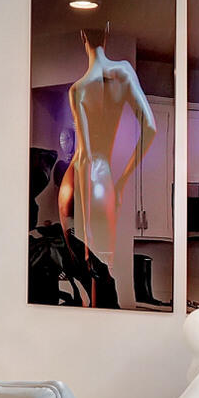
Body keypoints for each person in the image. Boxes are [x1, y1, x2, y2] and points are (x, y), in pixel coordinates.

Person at [58, 32, 158, 307]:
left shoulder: (78, 88)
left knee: (86, 276)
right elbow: (150, 128)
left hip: (73, 180)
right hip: (99, 179)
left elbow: (84, 157)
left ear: (82, 37)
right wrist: (123, 180)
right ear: (108, 29)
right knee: (101, 272)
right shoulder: (124, 72)